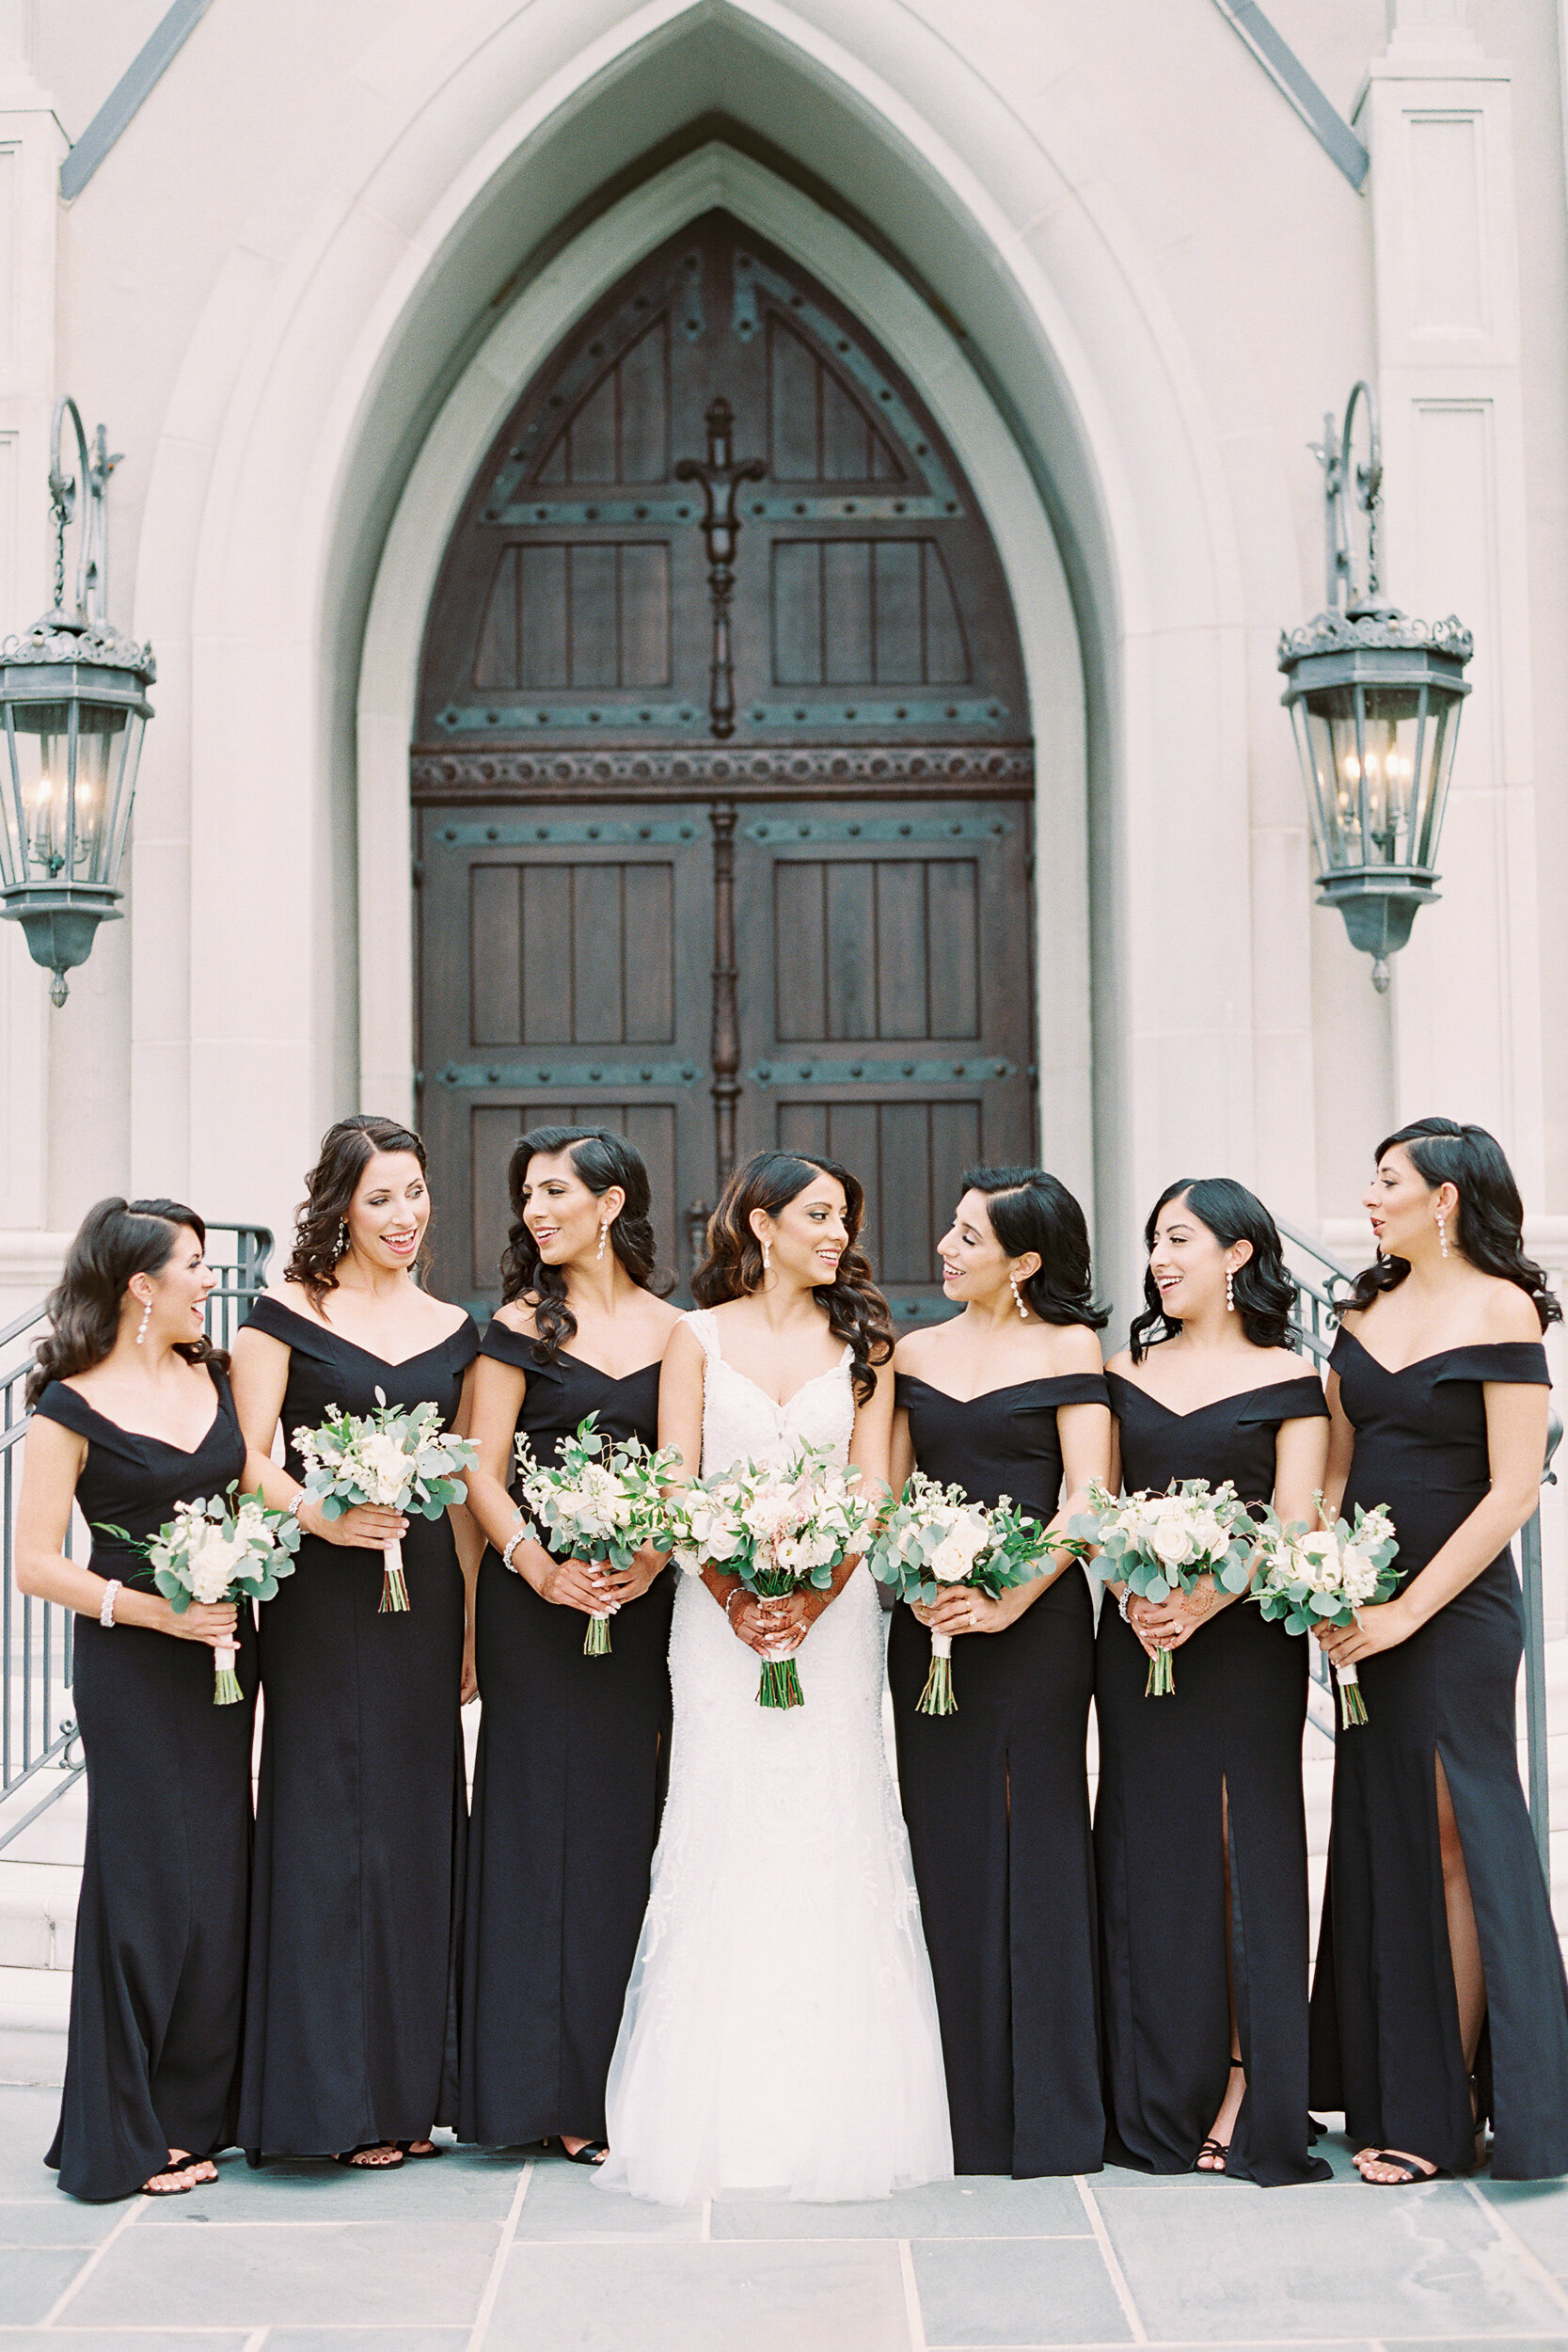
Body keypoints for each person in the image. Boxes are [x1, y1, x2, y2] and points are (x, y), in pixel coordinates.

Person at [598, 1151, 952, 2203]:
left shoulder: (865, 1346)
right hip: (715, 1626)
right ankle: (711, 2112)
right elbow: (674, 1479)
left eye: (842, 1216)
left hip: (832, 1627)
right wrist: (732, 1589)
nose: (836, 1233)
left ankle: (837, 2111)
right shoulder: (693, 1337)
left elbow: (873, 1491)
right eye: (816, 1215)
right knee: (726, 1829)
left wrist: (807, 1595)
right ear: (759, 1223)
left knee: (830, 1829)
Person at [1309, 1118, 1568, 2184]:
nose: (1368, 1199)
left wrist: (1406, 1612)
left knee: (1458, 1836)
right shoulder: (1358, 1308)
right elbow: (1332, 1469)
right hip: (1357, 1608)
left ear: (1445, 1196)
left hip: (1453, 1619)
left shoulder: (1500, 1308)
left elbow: (1511, 1487)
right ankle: (1392, 2084)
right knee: (1383, 1836)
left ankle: (1445, 2101)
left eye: (1386, 1181)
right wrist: (1320, 1581)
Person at [230, 1116, 481, 2170]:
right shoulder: (280, 1317)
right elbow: (247, 1458)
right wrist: (319, 1516)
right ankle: (322, 2094)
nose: (404, 1216)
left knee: (417, 1826)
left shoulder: (455, 1327)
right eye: (380, 1197)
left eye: (415, 1193)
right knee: (326, 1821)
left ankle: (408, 2094)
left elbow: (463, 1488)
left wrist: (471, 1614)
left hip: (419, 1594)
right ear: (338, 1204)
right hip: (319, 1592)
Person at [16, 1200, 277, 2200]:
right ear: (141, 1285)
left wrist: (338, 1512)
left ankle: (194, 2110)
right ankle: (121, 2131)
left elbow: (250, 1478)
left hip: (223, 1651)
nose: (211, 1281)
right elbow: (38, 1563)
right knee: (144, 1882)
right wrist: (150, 1611)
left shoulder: (204, 1372)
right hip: (134, 1662)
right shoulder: (66, 1407)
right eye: (196, 1266)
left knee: (216, 1873)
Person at [1096, 1178, 1332, 2185]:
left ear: (1237, 1254)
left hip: (1241, 1649)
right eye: (1153, 1239)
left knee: (1244, 1852)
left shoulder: (1291, 1381)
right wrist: (1133, 1593)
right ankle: (1155, 2085)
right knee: (1149, 1856)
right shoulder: (1119, 1373)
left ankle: (1248, 2080)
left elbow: (1291, 1520)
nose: (1158, 1256)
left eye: (1179, 1238)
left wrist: (1203, 1598)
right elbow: (1093, 1504)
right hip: (1136, 1643)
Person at [459, 1126, 681, 2163]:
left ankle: (597, 2092)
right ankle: (512, 2092)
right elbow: (479, 1468)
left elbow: (678, 1473)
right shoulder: (512, 1327)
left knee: (610, 1835)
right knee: (523, 1828)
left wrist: (645, 1558)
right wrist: (534, 1564)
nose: (535, 1211)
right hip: (530, 1610)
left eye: (554, 1191)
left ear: (611, 1200)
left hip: (635, 1615)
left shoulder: (675, 1332)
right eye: (526, 1195)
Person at [889, 1166, 1110, 2177]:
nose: (946, 1245)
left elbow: (1086, 1497)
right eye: (951, 1226)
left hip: (1036, 1627)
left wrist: (1010, 1593)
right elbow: (881, 1494)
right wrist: (912, 1576)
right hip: (928, 1629)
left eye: (970, 1237)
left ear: (1024, 1261)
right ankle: (958, 2109)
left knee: (1038, 1837)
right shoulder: (911, 1350)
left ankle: (1051, 2111)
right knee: (944, 1844)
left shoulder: (1068, 1346)